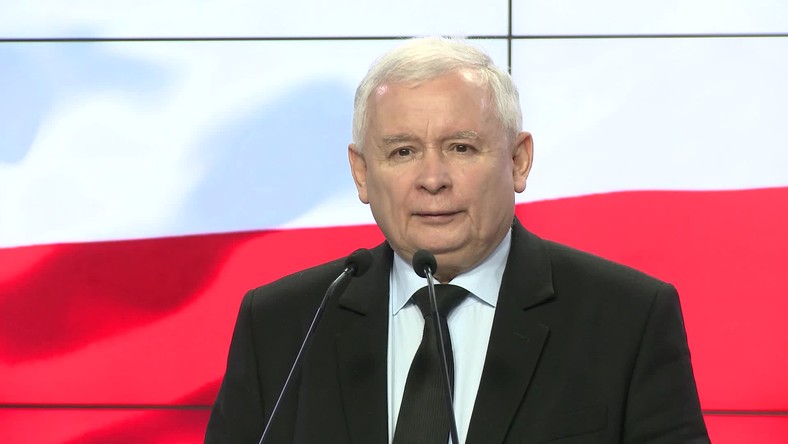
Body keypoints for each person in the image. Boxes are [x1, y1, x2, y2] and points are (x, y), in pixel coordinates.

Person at [205, 37, 709, 443]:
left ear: (518, 161)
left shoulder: (628, 320)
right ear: (361, 173)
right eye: (403, 152)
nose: (433, 179)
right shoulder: (281, 325)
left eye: (461, 148)